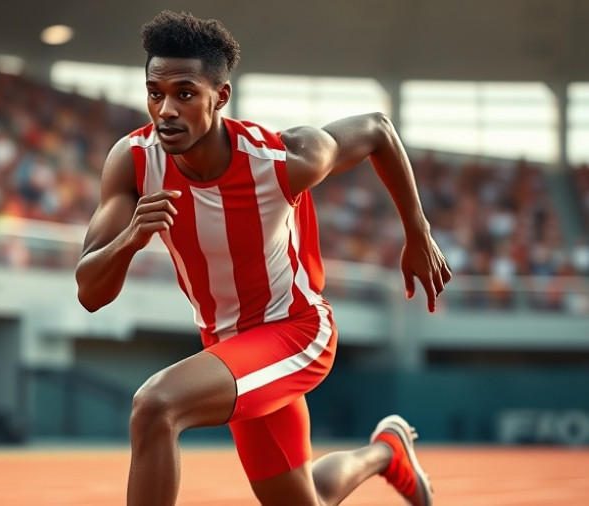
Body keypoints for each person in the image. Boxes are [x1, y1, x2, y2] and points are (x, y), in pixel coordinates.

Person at [75, 11, 452, 506]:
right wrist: (129, 239)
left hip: (295, 330)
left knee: (156, 405)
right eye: (155, 92)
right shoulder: (135, 161)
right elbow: (90, 293)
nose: (165, 109)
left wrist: (417, 232)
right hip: (227, 345)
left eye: (185, 93)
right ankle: (386, 454)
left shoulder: (281, 159)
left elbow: (378, 129)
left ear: (220, 96)